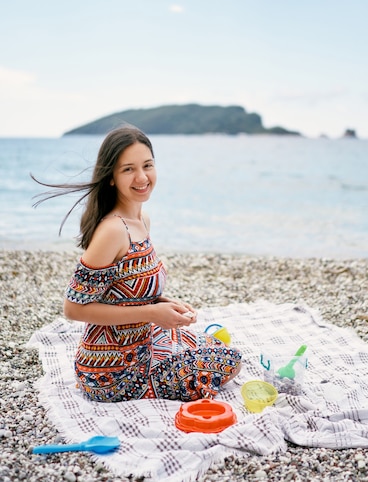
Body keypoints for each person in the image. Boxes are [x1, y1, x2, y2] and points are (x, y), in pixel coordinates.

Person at [33, 125, 241, 403]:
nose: (142, 177)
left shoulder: (142, 221)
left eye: (147, 165)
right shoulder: (113, 230)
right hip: (112, 371)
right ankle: (141, 387)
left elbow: (128, 290)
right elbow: (73, 308)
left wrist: (166, 305)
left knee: (214, 344)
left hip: (142, 339)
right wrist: (153, 314)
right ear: (111, 178)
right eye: (128, 169)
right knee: (230, 361)